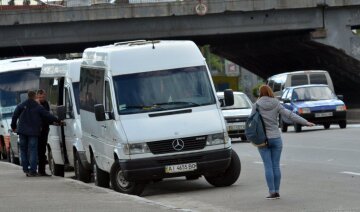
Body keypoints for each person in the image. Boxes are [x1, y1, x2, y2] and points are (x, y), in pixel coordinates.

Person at [251, 85, 315, 199]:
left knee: (268, 166)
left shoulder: (256, 105)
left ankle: (271, 192)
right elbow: (289, 114)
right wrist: (305, 122)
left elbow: (251, 121)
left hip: (262, 139)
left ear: (260, 93)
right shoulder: (276, 103)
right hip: (276, 138)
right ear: (270, 92)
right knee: (276, 165)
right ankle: (277, 191)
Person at [11, 90, 61, 177]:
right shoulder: (38, 106)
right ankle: (33, 171)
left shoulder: (22, 105)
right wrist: (58, 121)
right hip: (33, 132)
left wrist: (13, 126)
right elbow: (48, 115)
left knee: (23, 150)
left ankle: (26, 169)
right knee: (33, 150)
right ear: (35, 97)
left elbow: (15, 115)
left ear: (28, 96)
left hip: (22, 131)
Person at [36, 89, 51, 176]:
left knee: (42, 151)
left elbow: (47, 115)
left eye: (42, 97)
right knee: (38, 151)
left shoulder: (46, 104)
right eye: (39, 97)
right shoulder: (36, 105)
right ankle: (38, 170)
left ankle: (42, 170)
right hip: (37, 131)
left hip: (44, 130)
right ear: (37, 97)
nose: (41, 98)